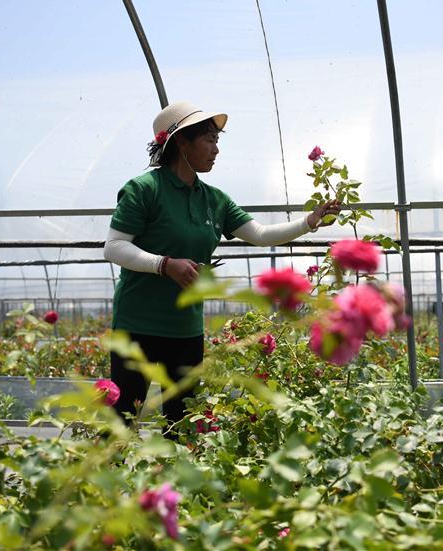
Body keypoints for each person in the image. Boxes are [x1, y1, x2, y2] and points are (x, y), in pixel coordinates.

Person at [103, 101, 340, 437]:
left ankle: (176, 487)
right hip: (137, 326)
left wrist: (310, 222)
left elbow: (258, 235)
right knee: (123, 420)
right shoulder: (145, 189)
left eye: (217, 141)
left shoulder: (213, 199)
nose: (216, 150)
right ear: (182, 143)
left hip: (184, 330)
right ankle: (102, 487)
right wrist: (164, 265)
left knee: (184, 423)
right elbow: (113, 247)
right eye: (210, 140)